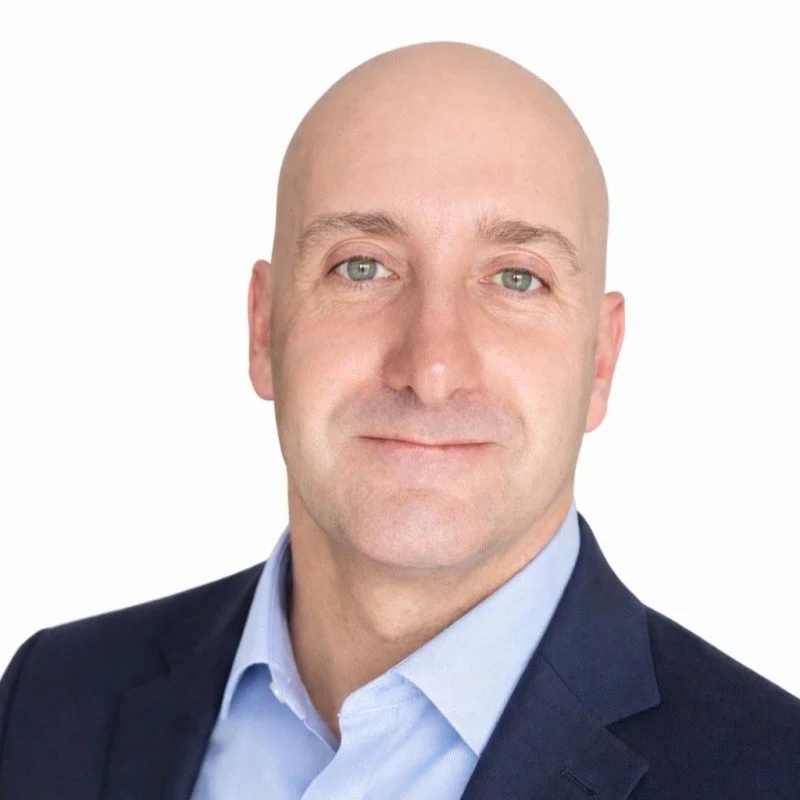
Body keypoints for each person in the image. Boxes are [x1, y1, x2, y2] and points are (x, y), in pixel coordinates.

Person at [1, 40, 798, 800]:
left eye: (517, 279)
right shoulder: (51, 701)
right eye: (361, 266)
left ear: (599, 360)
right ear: (263, 330)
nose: (432, 368)